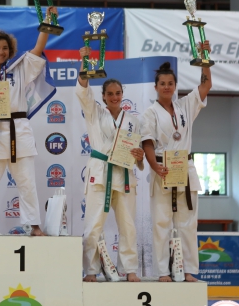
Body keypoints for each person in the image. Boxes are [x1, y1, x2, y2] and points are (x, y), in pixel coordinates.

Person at [0, 7, 58, 237]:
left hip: (18, 131)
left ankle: (34, 225)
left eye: (5, 48)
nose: (1, 52)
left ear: (10, 51)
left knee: (27, 182)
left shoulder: (19, 68)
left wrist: (47, 23)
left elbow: (38, 50)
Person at [141, 41, 211, 282]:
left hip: (185, 168)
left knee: (187, 223)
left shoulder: (185, 106)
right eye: (162, 84)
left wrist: (204, 57)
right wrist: (154, 166)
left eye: (170, 83)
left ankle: (188, 270)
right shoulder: (150, 113)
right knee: (161, 222)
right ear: (156, 87)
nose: (167, 87)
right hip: (162, 167)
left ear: (175, 86)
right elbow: (147, 143)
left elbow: (206, 85)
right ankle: (163, 271)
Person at [76, 49, 145, 282]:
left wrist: (139, 156)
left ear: (122, 94)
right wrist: (84, 61)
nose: (114, 97)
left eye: (118, 93)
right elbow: (83, 89)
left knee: (128, 225)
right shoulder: (94, 112)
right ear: (103, 96)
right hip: (100, 173)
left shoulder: (133, 121)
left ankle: (130, 269)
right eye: (110, 94)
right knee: (94, 224)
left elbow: (138, 157)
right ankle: (91, 270)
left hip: (124, 176)